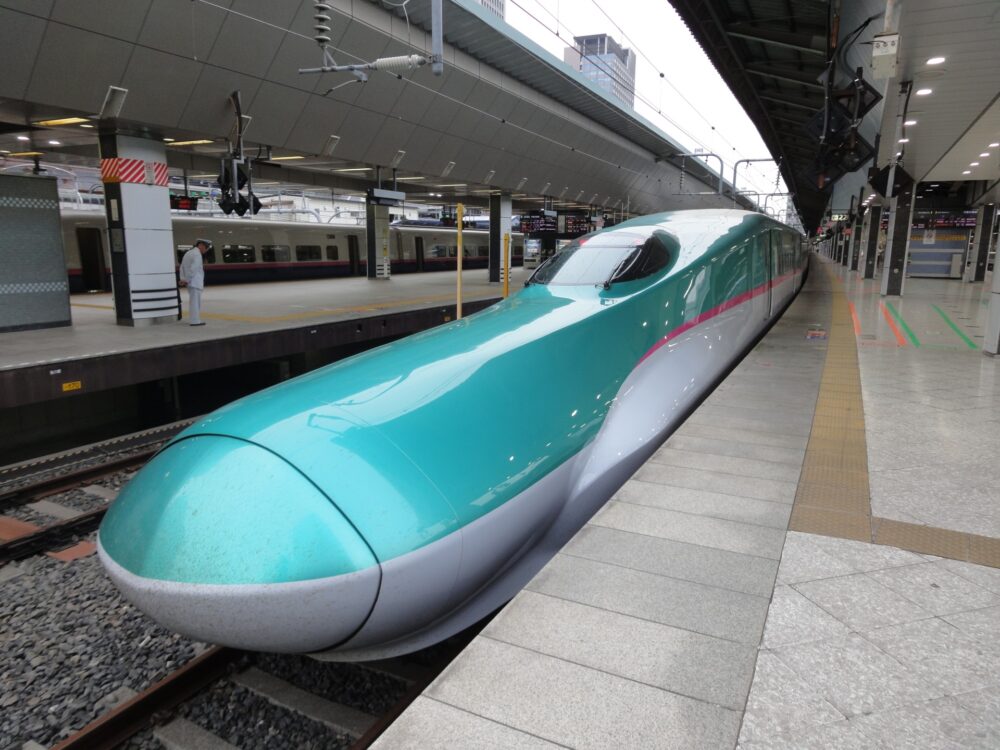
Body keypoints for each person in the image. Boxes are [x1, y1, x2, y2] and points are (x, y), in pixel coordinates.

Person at [179, 238, 210, 326]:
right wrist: (186, 280)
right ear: (201, 245)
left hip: (190, 282)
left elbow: (182, 267)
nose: (206, 250)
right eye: (206, 247)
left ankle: (194, 319)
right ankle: (195, 321)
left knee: (193, 302)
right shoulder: (197, 254)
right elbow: (194, 269)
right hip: (195, 282)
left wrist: (183, 279)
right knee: (195, 303)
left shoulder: (188, 253)